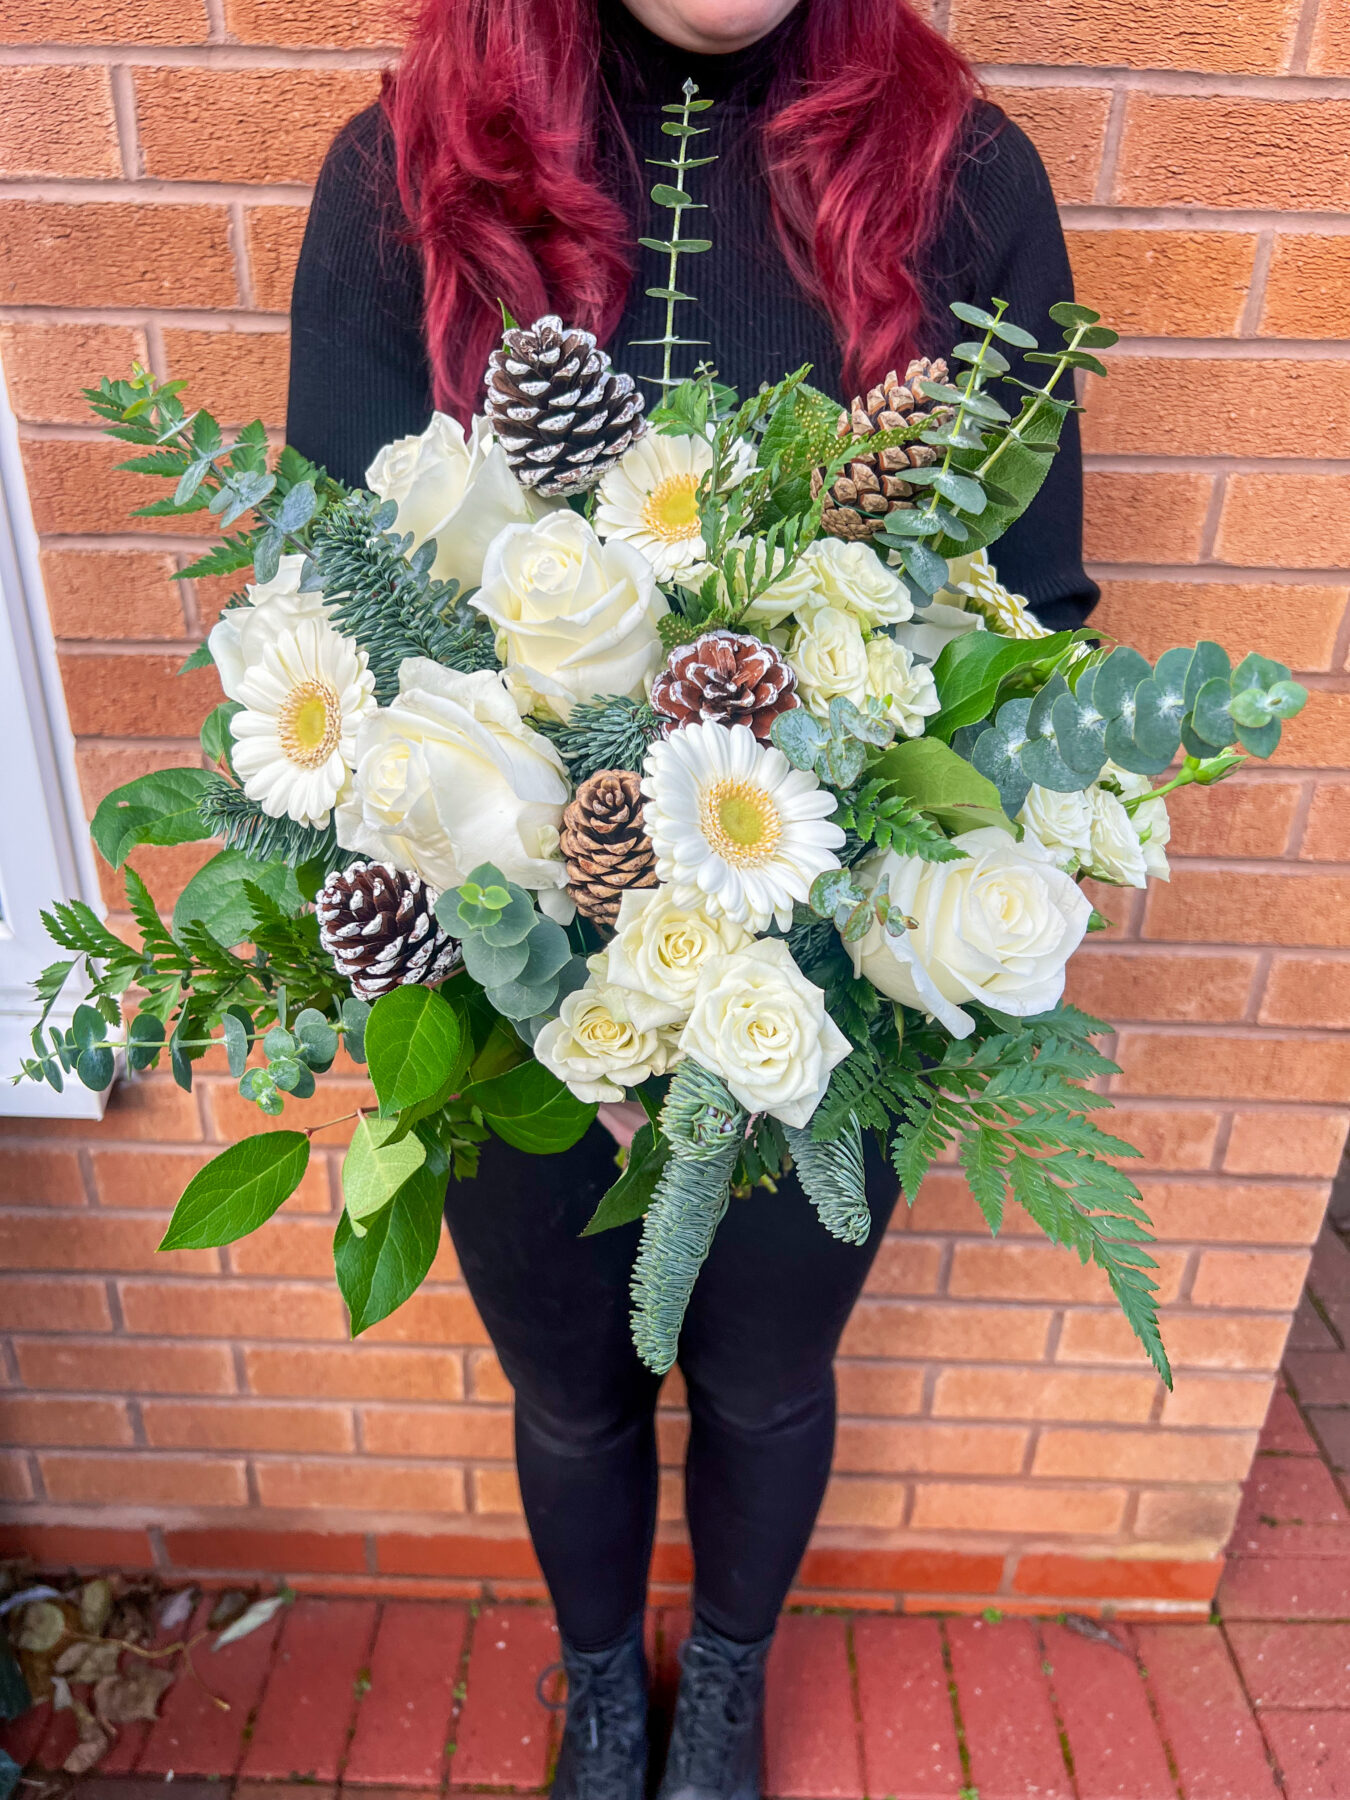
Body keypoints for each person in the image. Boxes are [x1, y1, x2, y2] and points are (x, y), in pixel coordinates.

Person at [287, 3, 1098, 1795]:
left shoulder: (959, 185)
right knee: (570, 1384)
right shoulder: (403, 180)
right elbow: (326, 596)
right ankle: (601, 1685)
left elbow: (1034, 613)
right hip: (498, 993)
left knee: (758, 1376)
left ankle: (720, 1679)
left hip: (817, 982)